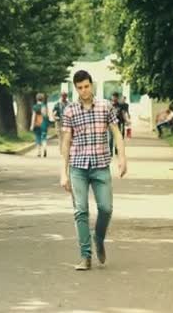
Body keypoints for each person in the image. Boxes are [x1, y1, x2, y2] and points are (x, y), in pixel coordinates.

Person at [61, 70, 128, 271]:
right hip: (78, 168)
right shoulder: (70, 111)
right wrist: (63, 172)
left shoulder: (105, 107)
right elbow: (66, 142)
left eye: (87, 86)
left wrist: (122, 158)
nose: (84, 90)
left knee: (106, 209)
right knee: (80, 211)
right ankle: (85, 256)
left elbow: (117, 133)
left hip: (100, 166)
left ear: (92, 85)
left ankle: (98, 238)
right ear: (76, 89)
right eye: (80, 88)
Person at [30, 93, 49, 157]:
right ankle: (45, 148)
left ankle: (39, 152)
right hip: (44, 123)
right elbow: (46, 115)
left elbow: (33, 116)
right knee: (44, 137)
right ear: (43, 99)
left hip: (37, 124)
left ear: (36, 99)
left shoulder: (35, 107)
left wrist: (32, 125)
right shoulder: (45, 106)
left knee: (38, 137)